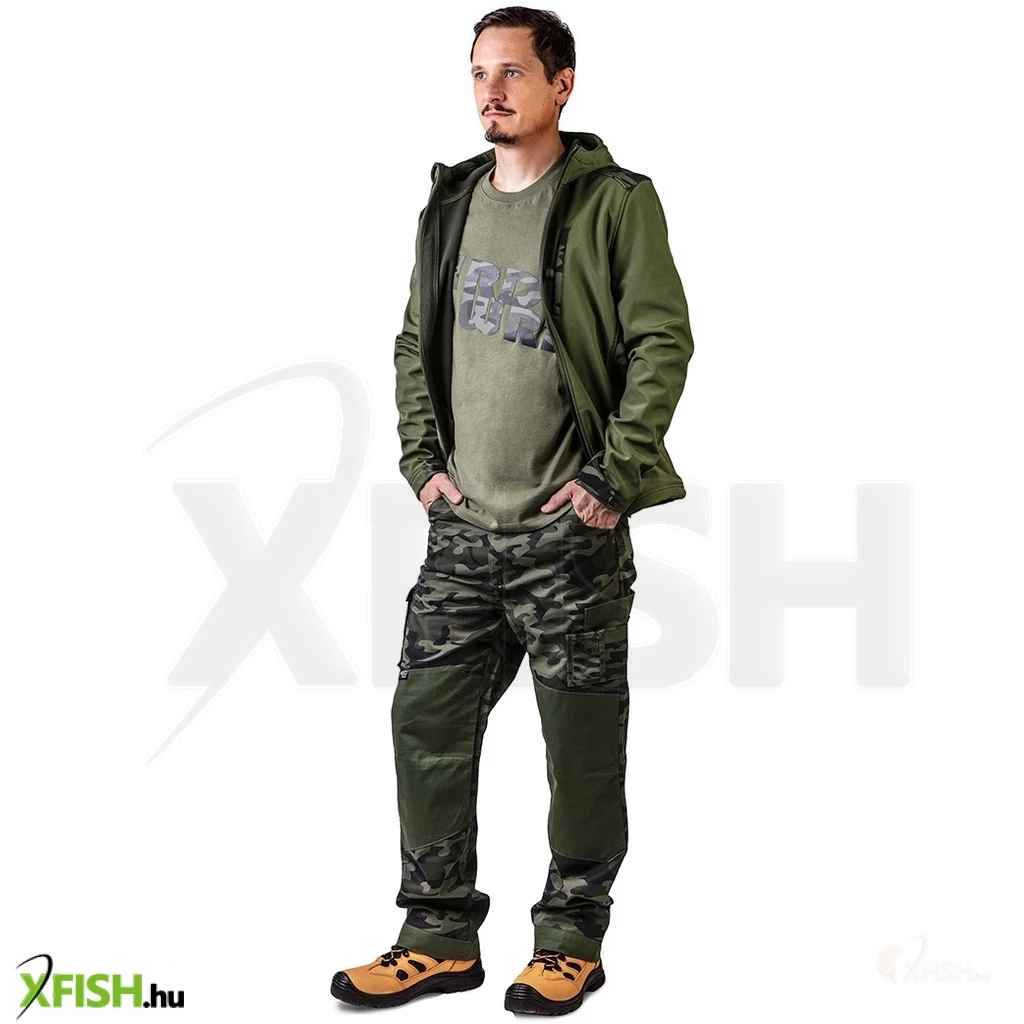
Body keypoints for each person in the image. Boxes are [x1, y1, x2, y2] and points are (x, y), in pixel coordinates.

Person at [331, 6, 694, 1016]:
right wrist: (422, 464)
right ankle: (437, 935)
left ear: (562, 84)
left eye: (513, 73)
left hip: (568, 534)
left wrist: (610, 480)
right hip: (462, 532)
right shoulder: (450, 201)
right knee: (424, 722)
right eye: (478, 73)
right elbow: (415, 340)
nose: (491, 91)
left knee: (579, 745)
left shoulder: (614, 202)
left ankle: (571, 939)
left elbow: (661, 342)